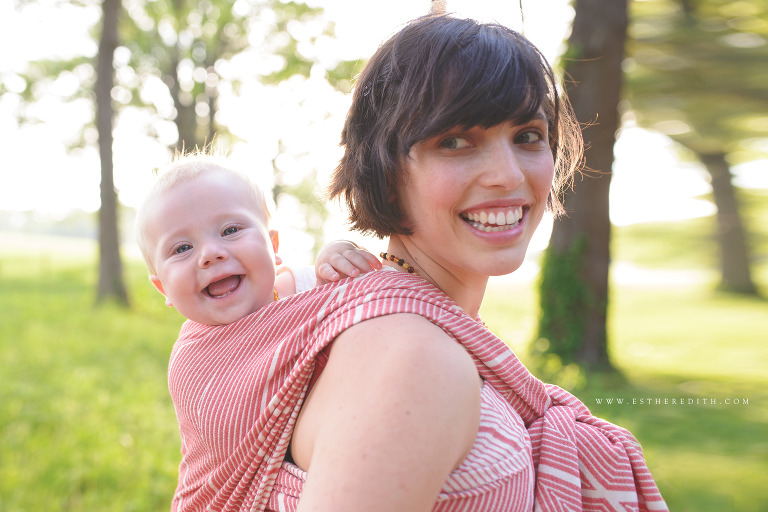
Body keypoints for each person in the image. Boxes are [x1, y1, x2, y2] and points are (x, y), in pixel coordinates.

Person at [159, 14, 668, 512]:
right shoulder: (414, 358)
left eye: (527, 135)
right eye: (455, 141)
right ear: (381, 166)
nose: (507, 175)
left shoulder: (401, 322)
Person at [134, 151, 381, 326]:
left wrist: (339, 259)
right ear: (162, 287)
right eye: (183, 248)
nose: (210, 253)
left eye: (230, 230)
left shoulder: (307, 285)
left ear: (273, 246)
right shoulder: (195, 364)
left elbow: (358, 308)